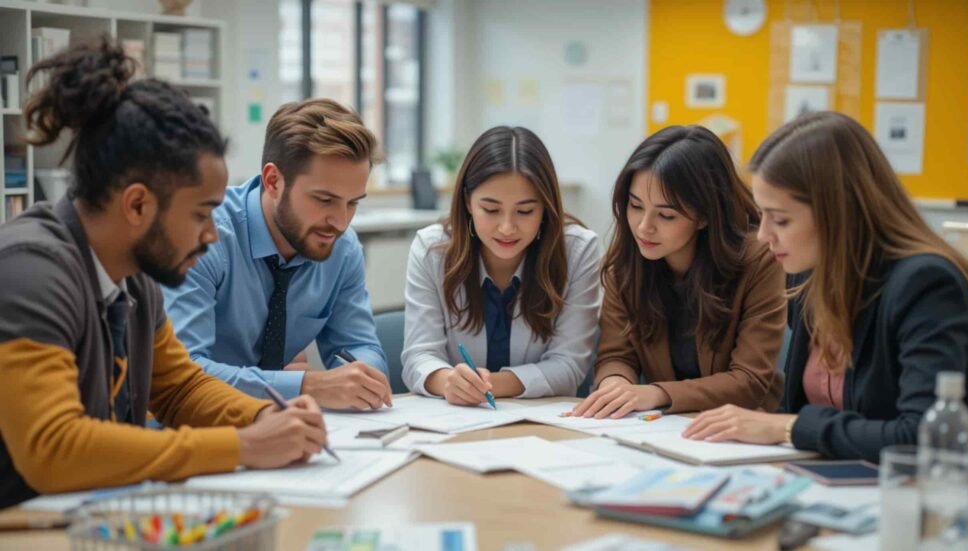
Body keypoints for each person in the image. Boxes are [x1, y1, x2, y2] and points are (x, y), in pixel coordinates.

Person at [0, 37, 327, 509]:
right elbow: (54, 447)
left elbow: (179, 387)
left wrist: (266, 417)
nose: (212, 235)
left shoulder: (133, 278)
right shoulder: (29, 272)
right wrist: (242, 447)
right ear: (136, 204)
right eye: (200, 214)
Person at [683, 112, 968, 489]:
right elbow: (803, 411)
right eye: (762, 215)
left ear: (838, 214)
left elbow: (922, 438)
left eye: (780, 220)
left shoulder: (927, 284)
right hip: (856, 483)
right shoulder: (809, 275)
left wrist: (787, 427)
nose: (763, 236)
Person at [162, 98, 391, 411]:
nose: (340, 222)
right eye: (324, 200)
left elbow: (359, 345)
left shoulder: (343, 248)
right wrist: (304, 385)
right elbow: (183, 372)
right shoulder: (204, 238)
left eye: (353, 203)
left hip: (286, 429)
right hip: (191, 427)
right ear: (273, 181)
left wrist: (364, 376)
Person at [573, 126, 785, 419]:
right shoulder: (626, 261)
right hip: (666, 427)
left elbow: (750, 381)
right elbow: (616, 355)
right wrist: (616, 386)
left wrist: (656, 393)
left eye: (666, 215)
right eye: (635, 206)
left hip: (743, 426)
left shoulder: (759, 259)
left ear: (705, 214)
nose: (643, 226)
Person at [402, 126, 600, 403]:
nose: (507, 228)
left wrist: (485, 386)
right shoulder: (431, 250)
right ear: (468, 202)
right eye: (491, 210)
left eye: (525, 211)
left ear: (546, 207)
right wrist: (449, 382)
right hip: (457, 423)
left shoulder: (578, 250)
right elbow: (419, 356)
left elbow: (568, 367)